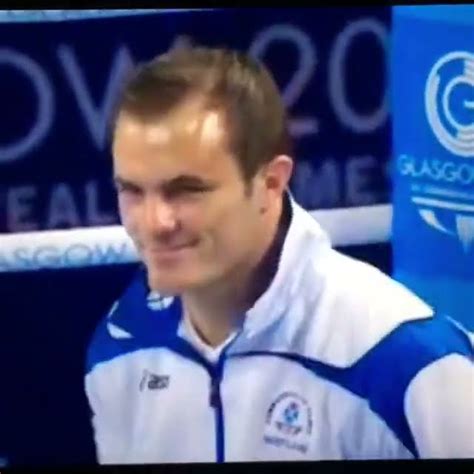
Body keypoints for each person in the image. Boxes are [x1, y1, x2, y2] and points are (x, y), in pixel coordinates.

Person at [85, 45, 473, 464]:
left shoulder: (404, 360)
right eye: (132, 191)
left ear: (270, 183)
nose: (155, 222)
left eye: (186, 190)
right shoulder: (119, 348)